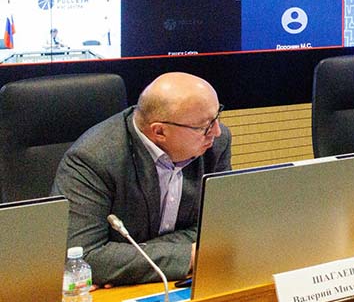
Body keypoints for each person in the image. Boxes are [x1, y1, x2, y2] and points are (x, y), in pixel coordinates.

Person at [52, 73, 230, 287]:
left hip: (172, 281)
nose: (216, 131)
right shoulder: (92, 158)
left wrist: (129, 260)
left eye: (217, 115)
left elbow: (218, 228)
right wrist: (189, 256)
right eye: (204, 126)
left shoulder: (215, 145)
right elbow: (83, 257)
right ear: (159, 131)